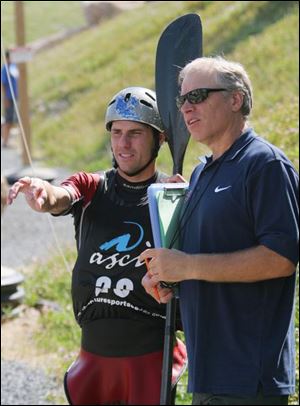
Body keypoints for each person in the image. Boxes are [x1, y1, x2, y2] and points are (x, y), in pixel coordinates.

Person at [7, 87, 187, 405]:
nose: (123, 144)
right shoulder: (93, 187)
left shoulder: (172, 195)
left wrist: (183, 202)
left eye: (135, 133)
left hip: (148, 360)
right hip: (94, 358)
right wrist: (42, 192)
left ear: (160, 139)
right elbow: (60, 196)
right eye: (116, 133)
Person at [140, 57, 299, 405]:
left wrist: (187, 266)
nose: (186, 108)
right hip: (208, 373)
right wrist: (168, 279)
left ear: (235, 99)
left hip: (249, 378)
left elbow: (281, 259)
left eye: (198, 95)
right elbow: (202, 258)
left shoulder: (265, 165)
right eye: (182, 99)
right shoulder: (201, 174)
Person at [1, 49, 19, 147]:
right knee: (8, 120)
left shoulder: (14, 68)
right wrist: (4, 99)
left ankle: (7, 140)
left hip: (15, 98)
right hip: (8, 98)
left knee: (13, 120)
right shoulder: (4, 69)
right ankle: (5, 141)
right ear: (7, 58)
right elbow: (2, 85)